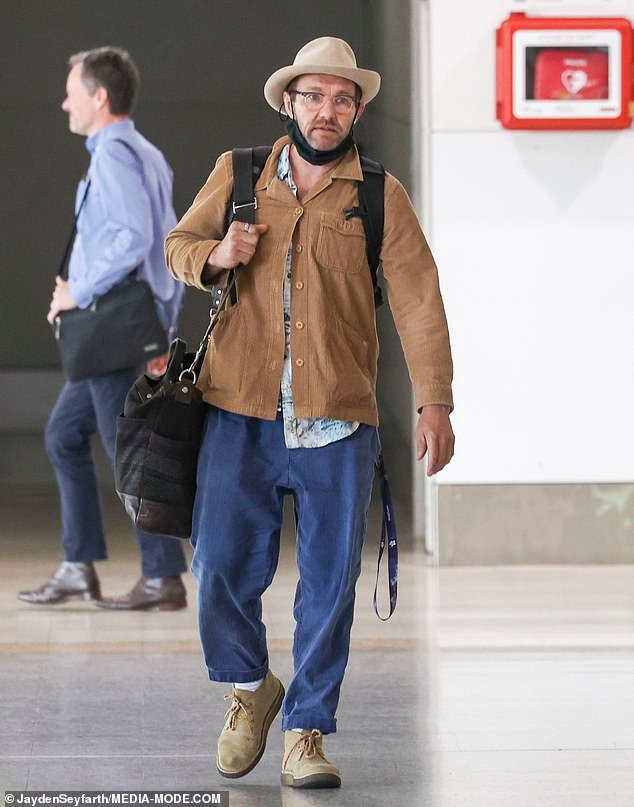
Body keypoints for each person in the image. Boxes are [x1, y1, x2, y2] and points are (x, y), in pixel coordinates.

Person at [164, 36, 454, 788]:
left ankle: (307, 730)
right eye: (313, 97)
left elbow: (420, 303)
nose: (327, 112)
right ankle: (250, 686)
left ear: (356, 108)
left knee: (329, 582)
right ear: (288, 103)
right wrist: (215, 255)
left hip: (338, 418)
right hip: (239, 409)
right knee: (221, 566)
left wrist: (435, 401)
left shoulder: (377, 193)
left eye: (342, 99)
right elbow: (178, 243)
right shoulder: (239, 173)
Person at [18, 47, 188, 611]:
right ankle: (79, 567)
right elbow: (165, 248)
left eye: (72, 91)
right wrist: (164, 321)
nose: (64, 102)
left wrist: (77, 291)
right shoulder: (146, 152)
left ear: (99, 97)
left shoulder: (115, 154)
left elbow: (134, 240)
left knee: (126, 449)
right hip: (129, 326)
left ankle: (162, 576)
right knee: (67, 436)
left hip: (111, 326)